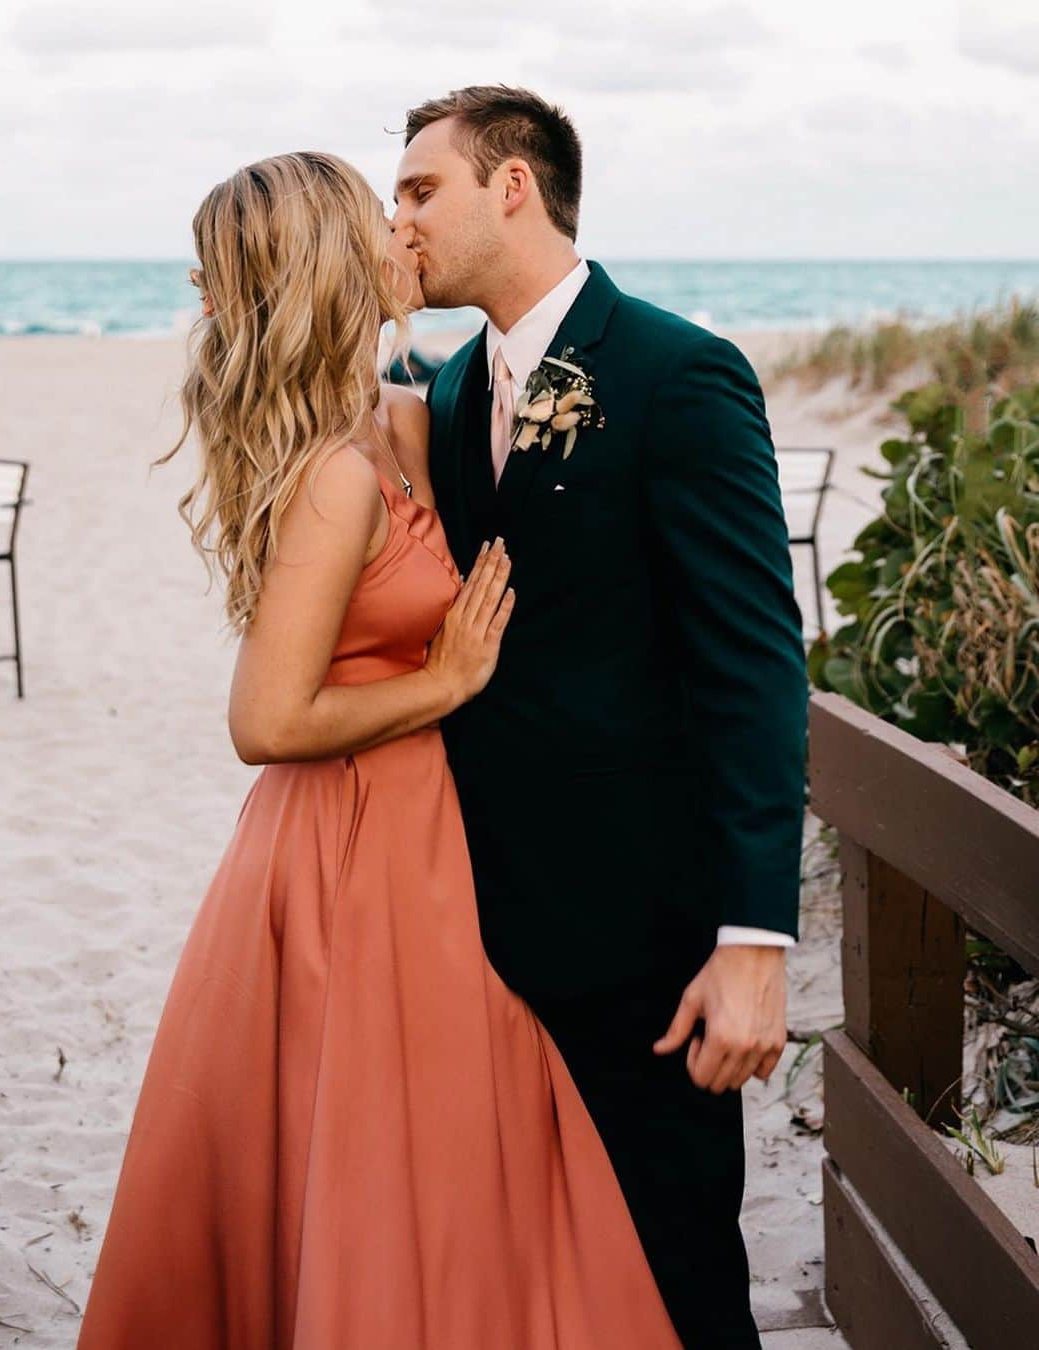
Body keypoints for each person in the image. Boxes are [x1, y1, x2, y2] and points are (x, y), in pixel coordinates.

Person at [75, 151, 684, 1348]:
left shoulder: (400, 415)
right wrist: (446, 680)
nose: (401, 228)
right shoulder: (334, 479)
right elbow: (265, 721)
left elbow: (452, 397)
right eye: (380, 215)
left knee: (453, 1146)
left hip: (426, 835)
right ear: (328, 260)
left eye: (408, 206)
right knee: (390, 1155)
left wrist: (399, 304)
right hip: (351, 851)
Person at [393, 86, 809, 1349]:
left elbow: (754, 667)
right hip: (478, 929)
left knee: (674, 1277)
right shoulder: (453, 389)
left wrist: (753, 940)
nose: (396, 216)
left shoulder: (680, 374)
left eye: (420, 190)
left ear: (511, 186)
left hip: (644, 941)